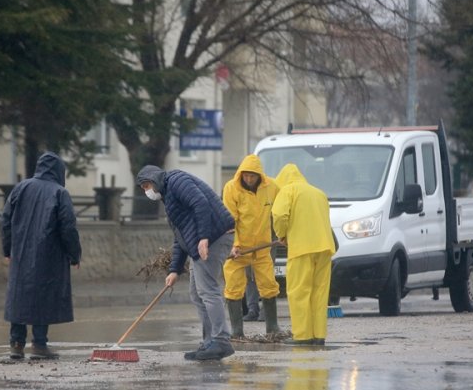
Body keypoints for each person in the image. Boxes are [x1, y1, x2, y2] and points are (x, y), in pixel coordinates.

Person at [136, 164, 236, 361]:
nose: (147, 191)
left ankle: (221, 341)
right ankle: (210, 342)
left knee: (207, 290)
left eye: (146, 186)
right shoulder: (169, 199)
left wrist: (204, 237)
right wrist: (174, 270)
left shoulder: (176, 181)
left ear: (154, 179)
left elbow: (201, 203)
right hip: (204, 240)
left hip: (215, 237)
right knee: (196, 293)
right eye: (143, 189)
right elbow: (179, 237)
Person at [1, 152, 82, 360]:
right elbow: (68, 227)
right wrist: (74, 255)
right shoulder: (59, 192)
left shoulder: (20, 188)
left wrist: (8, 250)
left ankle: (16, 344)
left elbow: (6, 220)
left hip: (21, 253)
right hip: (49, 255)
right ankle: (39, 344)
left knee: (20, 296)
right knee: (43, 296)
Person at [271, 163, 335, 346]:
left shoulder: (287, 191)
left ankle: (302, 336)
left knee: (299, 292)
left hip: (301, 248)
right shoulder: (319, 193)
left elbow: (279, 215)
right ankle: (318, 335)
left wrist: (281, 234)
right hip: (324, 247)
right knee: (320, 293)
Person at [221, 154, 283, 341]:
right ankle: (237, 332)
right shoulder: (231, 188)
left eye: (252, 176)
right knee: (233, 287)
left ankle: (272, 328)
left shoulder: (271, 188)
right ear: (241, 174)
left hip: (263, 249)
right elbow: (230, 219)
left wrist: (282, 234)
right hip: (238, 251)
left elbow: (281, 212)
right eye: (246, 175)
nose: (249, 179)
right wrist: (234, 245)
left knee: (269, 286)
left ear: (259, 175)